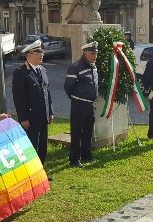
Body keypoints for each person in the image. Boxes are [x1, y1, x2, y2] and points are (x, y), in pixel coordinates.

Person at [12, 40, 54, 179]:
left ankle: (41, 171)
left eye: (41, 53)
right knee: (32, 146)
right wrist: (23, 118)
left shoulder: (43, 70)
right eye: (38, 53)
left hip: (43, 115)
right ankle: (31, 173)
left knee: (43, 145)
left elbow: (47, 93)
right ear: (29, 55)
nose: (42, 55)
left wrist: (50, 112)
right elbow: (19, 98)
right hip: (31, 117)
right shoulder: (21, 72)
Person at [64, 41, 99, 168]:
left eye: (96, 54)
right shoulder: (76, 67)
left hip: (90, 104)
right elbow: (68, 86)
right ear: (85, 53)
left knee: (88, 131)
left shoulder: (93, 66)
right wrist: (76, 97)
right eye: (92, 53)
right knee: (77, 132)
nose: (95, 56)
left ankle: (86, 154)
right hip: (79, 104)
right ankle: (74, 159)